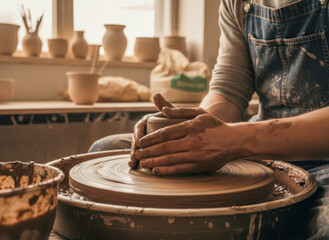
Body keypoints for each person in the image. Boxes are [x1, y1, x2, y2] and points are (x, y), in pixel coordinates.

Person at [90, 0, 329, 238]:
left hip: (319, 157)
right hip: (257, 148)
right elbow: (228, 90)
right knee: (106, 150)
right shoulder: (238, 3)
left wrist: (234, 141)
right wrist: (188, 129)